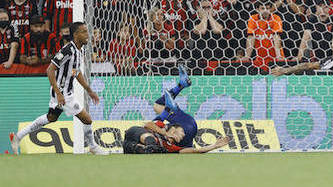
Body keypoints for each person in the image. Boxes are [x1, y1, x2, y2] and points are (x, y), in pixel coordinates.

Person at [9, 22, 107, 155]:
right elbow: (50, 69)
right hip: (63, 94)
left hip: (66, 93)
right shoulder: (67, 50)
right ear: (76, 34)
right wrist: (58, 93)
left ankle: (18, 136)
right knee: (87, 119)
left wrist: (88, 90)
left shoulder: (79, 51)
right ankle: (93, 147)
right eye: (84, 32)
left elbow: (75, 72)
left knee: (51, 117)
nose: (87, 34)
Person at [123, 66, 229, 154]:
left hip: (186, 125)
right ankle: (178, 92)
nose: (182, 135)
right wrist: (214, 146)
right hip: (186, 134)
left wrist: (165, 133)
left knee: (157, 108)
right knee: (157, 107)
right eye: (181, 133)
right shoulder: (172, 146)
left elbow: (148, 125)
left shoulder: (163, 127)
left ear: (172, 129)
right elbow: (195, 150)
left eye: (181, 132)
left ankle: (170, 106)